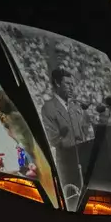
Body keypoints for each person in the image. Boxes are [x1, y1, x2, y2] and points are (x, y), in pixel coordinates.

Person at [41, 68, 95, 210]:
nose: (72, 87)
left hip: (82, 160)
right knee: (71, 204)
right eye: (68, 84)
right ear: (58, 84)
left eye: (72, 84)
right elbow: (52, 139)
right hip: (66, 163)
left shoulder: (75, 107)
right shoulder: (48, 108)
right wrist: (63, 136)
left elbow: (84, 133)